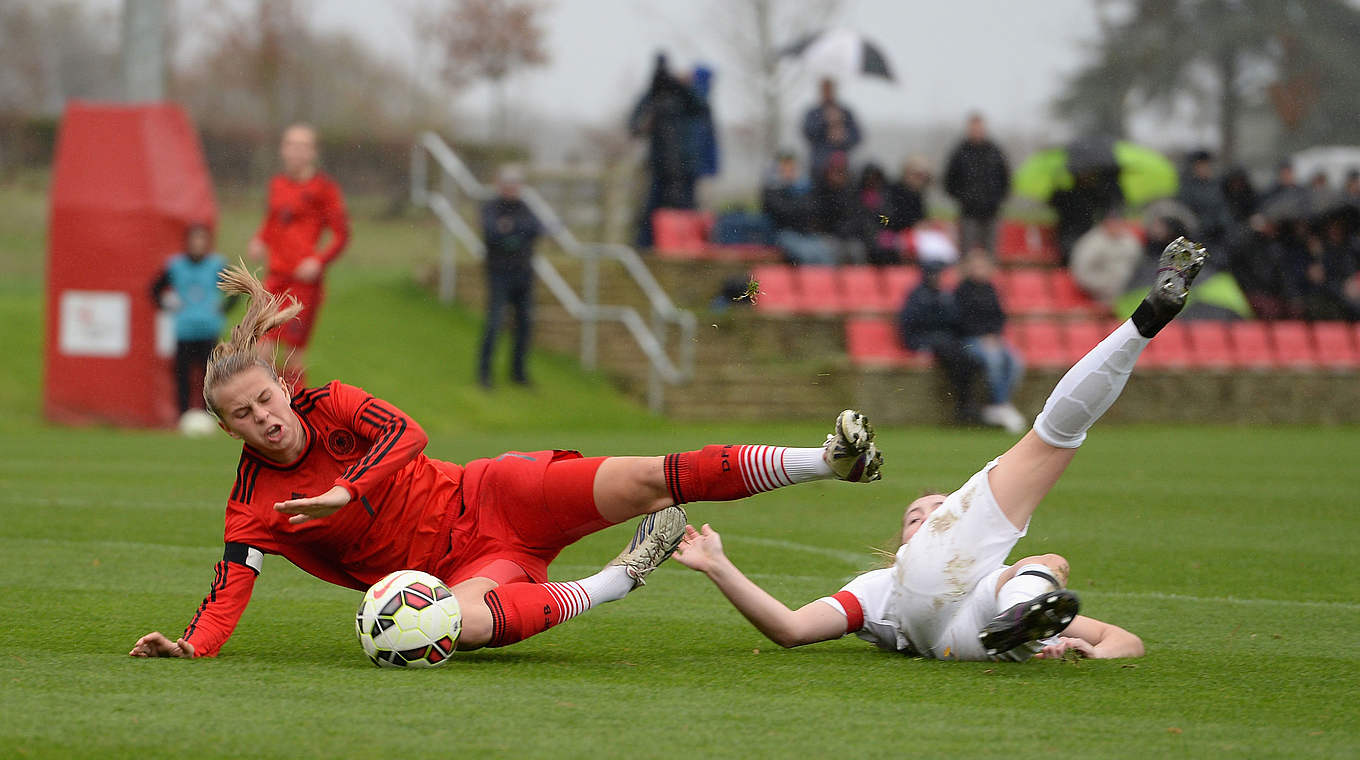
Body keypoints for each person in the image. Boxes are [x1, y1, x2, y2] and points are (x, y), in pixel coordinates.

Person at [129, 264, 885, 659]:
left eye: (265, 399)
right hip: (458, 574)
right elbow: (229, 590)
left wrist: (344, 494)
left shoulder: (336, 404)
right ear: (228, 429)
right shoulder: (252, 507)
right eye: (242, 416)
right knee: (451, 625)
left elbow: (410, 437)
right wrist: (191, 646)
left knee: (650, 475)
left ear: (284, 389)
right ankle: (614, 581)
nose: (262, 418)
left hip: (496, 495)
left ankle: (827, 460)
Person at [674, 238, 1209, 661]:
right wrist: (718, 566)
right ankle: (1144, 322)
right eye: (918, 517)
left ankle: (1027, 635)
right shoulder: (883, 583)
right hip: (940, 602)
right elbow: (790, 629)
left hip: (969, 641)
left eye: (935, 509)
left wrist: (1081, 651)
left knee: (1033, 575)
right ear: (900, 546)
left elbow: (1125, 641)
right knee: (1052, 454)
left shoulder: (962, 585)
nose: (931, 516)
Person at [247, 123, 350, 390]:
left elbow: (341, 235)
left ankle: (299, 414)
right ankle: (266, 413)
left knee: (290, 354)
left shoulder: (324, 189)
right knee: (261, 349)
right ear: (283, 150)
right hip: (275, 278)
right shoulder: (278, 185)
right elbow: (273, 221)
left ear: (313, 152)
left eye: (303, 146)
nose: (296, 151)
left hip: (303, 284)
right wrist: (261, 239)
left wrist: (318, 260)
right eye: (291, 144)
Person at [149, 224, 234, 421]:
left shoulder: (216, 265)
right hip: (184, 330)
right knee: (182, 376)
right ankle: (183, 417)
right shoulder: (176, 266)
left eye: (202, 240)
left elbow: (235, 289)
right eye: (194, 240)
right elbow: (154, 289)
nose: (198, 244)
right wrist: (167, 304)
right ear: (187, 243)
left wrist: (224, 307)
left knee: (210, 376)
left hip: (209, 330)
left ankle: (209, 416)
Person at [629, 53, 709, 248]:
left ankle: (686, 247)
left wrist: (680, 86)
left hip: (686, 164)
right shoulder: (653, 95)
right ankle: (647, 246)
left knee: (686, 209)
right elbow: (634, 125)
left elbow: (702, 109)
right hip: (660, 163)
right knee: (654, 208)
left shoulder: (687, 96)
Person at [897, 260, 981, 425]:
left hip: (947, 342)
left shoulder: (945, 295)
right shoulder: (917, 296)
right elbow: (909, 326)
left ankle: (968, 407)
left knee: (971, 361)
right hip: (930, 342)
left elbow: (956, 323)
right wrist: (920, 346)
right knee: (959, 360)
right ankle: (965, 408)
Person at [479, 164, 540, 388]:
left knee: (525, 324)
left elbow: (536, 229)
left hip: (523, 274)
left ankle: (518, 373)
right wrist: (515, 234)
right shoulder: (491, 207)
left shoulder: (525, 208)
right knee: (494, 324)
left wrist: (511, 231)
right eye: (508, 184)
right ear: (500, 186)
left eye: (515, 184)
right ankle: (484, 373)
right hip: (499, 274)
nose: (512, 189)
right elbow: (492, 233)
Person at [954, 248, 1026, 433]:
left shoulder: (991, 290)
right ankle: (1000, 405)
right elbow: (960, 320)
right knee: (993, 360)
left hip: (993, 338)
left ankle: (1000, 404)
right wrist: (982, 336)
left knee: (1016, 361)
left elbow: (999, 317)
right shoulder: (961, 291)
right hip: (969, 340)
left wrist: (994, 335)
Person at [942, 113, 1011, 254]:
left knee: (990, 251)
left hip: (991, 211)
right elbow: (949, 180)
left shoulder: (995, 152)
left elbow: (1005, 178)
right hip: (968, 212)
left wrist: (997, 199)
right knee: (966, 250)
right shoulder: (960, 152)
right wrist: (963, 198)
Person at [762, 151, 835, 266]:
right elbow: (783, 212)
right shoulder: (772, 190)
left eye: (791, 168)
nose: (788, 172)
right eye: (784, 168)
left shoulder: (804, 188)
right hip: (784, 234)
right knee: (808, 255)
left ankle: (823, 284)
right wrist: (799, 206)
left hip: (807, 234)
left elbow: (814, 208)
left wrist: (798, 206)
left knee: (826, 254)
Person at [802, 78, 861, 182]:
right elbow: (808, 133)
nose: (827, 92)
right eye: (825, 89)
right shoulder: (813, 113)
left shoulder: (845, 112)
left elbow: (857, 136)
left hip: (841, 168)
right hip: (819, 168)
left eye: (829, 89)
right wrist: (825, 121)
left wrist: (843, 136)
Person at [1176, 150, 1229, 249]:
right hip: (1197, 236)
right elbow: (1186, 213)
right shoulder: (1187, 188)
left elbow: (1223, 209)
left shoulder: (1217, 186)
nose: (1205, 168)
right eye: (1201, 165)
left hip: (1218, 236)